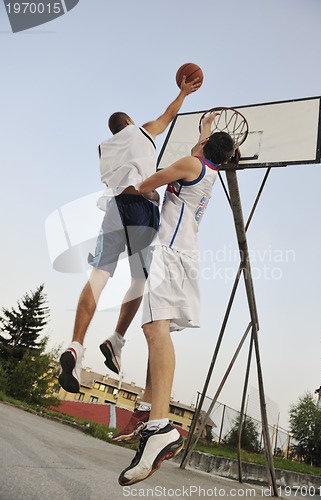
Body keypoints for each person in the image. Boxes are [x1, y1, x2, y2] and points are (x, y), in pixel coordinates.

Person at [58, 77, 201, 393]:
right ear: (130, 122)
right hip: (141, 205)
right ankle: (116, 339)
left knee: (98, 277)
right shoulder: (141, 131)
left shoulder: (104, 148)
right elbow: (168, 115)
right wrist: (183, 93)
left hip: (114, 207)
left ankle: (75, 346)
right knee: (139, 279)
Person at [117, 113, 236, 486]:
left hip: (169, 254)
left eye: (202, 140)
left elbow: (149, 183)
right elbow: (197, 151)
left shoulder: (188, 165)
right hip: (185, 255)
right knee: (159, 329)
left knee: (154, 329)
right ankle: (151, 414)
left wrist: (134, 186)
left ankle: (160, 424)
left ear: (203, 149)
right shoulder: (208, 172)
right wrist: (206, 127)